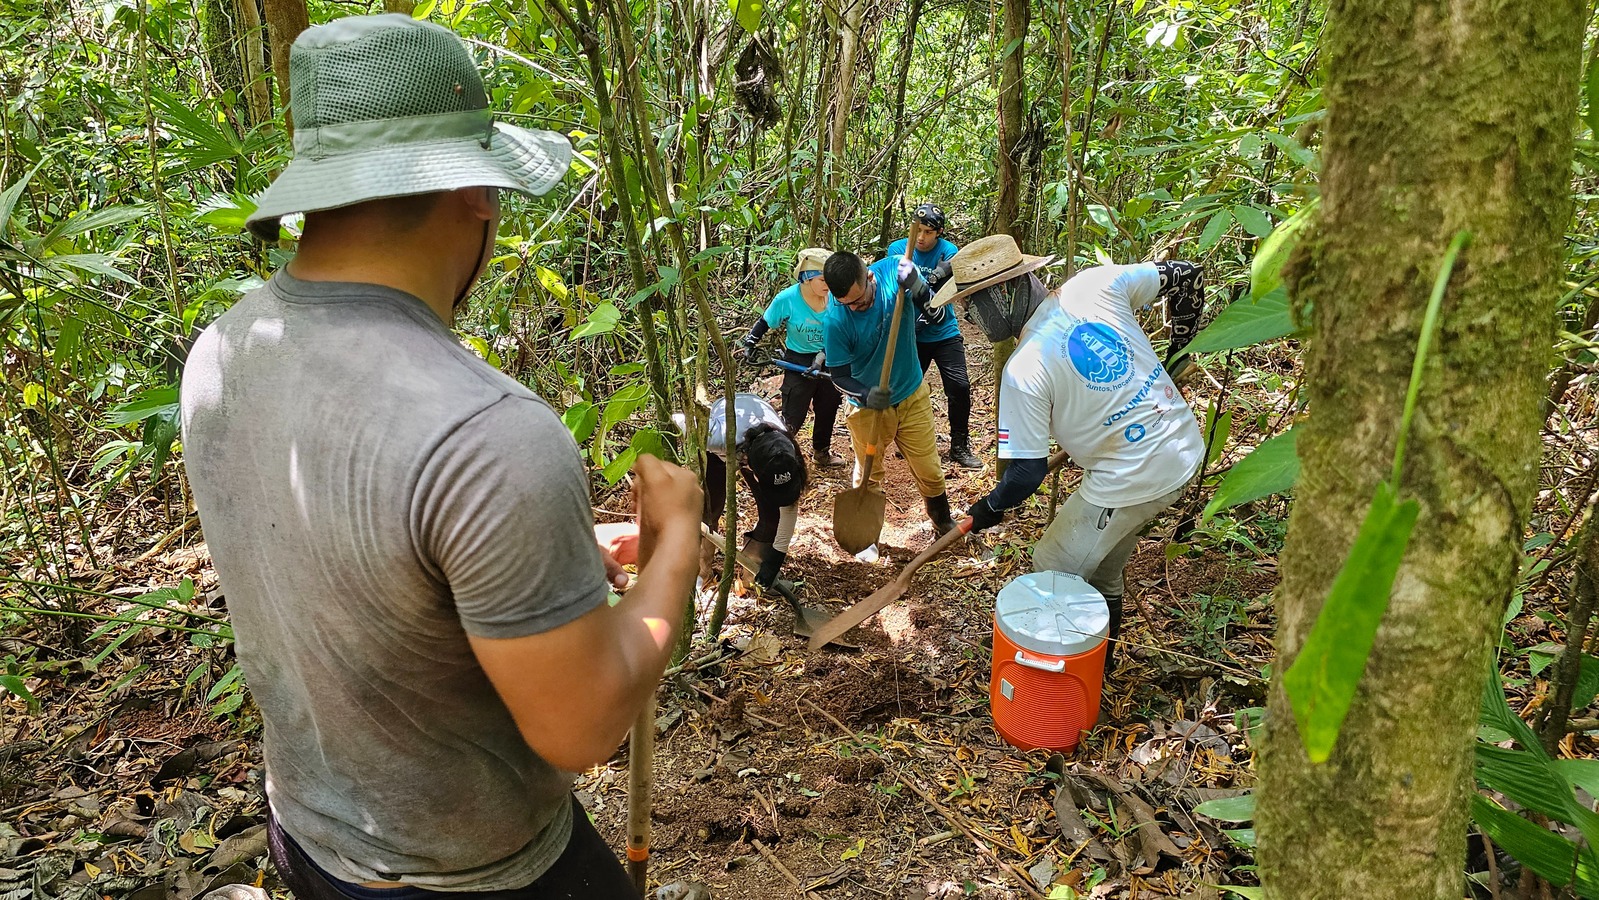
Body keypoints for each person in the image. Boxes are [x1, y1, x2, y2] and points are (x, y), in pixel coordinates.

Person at [179, 15, 703, 899]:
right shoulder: (487, 432)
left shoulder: (225, 352)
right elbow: (582, 727)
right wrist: (677, 540)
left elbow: (370, 572)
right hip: (476, 872)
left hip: (307, 831)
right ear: (480, 193)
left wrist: (556, 565)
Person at [929, 234, 1207, 670]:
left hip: (1134, 472)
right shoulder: (1093, 286)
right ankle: (1102, 667)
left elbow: (1025, 474)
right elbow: (1187, 276)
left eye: (972, 307)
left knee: (1052, 566)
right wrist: (1179, 351)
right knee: (1102, 569)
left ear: (1001, 295)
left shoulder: (1025, 367)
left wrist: (988, 507)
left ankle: (1054, 687)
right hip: (1181, 441)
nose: (971, 320)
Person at [822, 248, 958, 537]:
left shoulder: (895, 274)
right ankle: (866, 535)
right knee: (868, 475)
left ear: (869, 276)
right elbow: (839, 376)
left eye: (859, 300)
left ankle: (942, 523)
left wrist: (918, 288)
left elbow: (939, 317)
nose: (854, 308)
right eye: (846, 303)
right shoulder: (836, 320)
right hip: (868, 411)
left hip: (911, 394)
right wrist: (865, 393)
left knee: (930, 470)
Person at [884, 204, 980, 470]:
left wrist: (938, 277)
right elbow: (901, 285)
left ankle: (960, 445)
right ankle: (907, 441)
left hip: (943, 330)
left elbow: (945, 288)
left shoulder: (949, 251)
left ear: (939, 232)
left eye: (928, 232)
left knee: (959, 387)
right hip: (909, 332)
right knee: (904, 389)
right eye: (918, 231)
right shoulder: (898, 249)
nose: (922, 237)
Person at [737, 248, 844, 466]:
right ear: (806, 278)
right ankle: (784, 455)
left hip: (829, 359)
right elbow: (766, 322)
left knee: (828, 406)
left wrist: (823, 355)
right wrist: (750, 342)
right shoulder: (787, 299)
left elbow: (844, 329)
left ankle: (821, 452)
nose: (828, 285)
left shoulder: (836, 299)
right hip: (797, 361)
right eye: (823, 279)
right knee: (793, 414)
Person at [702, 393, 809, 587]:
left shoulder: (785, 452)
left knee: (772, 518)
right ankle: (701, 575)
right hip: (729, 421)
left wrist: (775, 560)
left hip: (759, 442)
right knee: (708, 510)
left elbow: (788, 508)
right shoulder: (716, 436)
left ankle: (753, 578)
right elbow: (678, 423)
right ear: (755, 475)